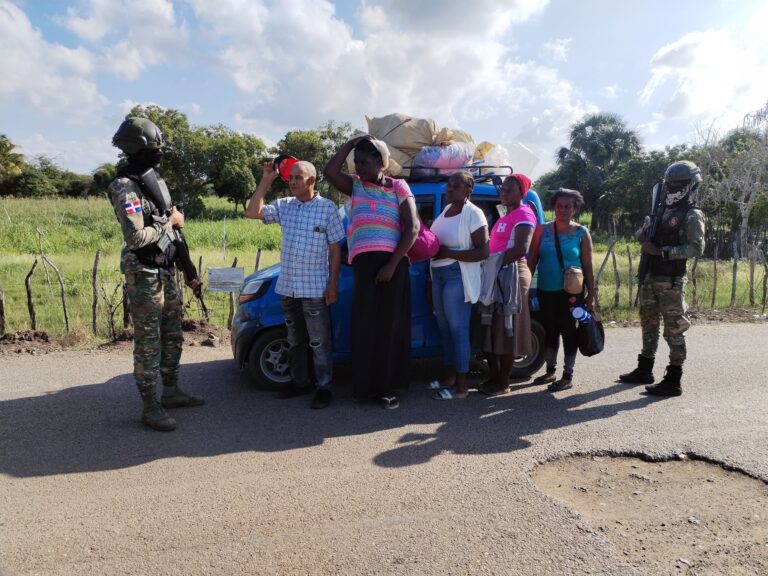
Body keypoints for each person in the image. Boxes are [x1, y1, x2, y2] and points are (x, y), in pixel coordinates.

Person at [108, 117, 204, 431]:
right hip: (144, 272)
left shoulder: (153, 179)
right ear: (137, 149)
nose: (160, 153)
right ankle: (150, 406)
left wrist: (188, 271)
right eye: (154, 148)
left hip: (166, 269)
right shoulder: (124, 186)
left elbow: (174, 235)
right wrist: (170, 222)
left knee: (173, 334)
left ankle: (172, 390)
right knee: (149, 341)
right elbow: (135, 237)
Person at [324, 136, 419, 409]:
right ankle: (364, 388)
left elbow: (411, 228)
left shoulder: (399, 187)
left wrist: (390, 266)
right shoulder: (355, 186)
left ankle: (387, 389)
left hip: (393, 264)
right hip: (364, 267)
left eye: (365, 163)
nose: (360, 168)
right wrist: (350, 144)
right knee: (365, 326)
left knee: (389, 328)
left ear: (380, 162)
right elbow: (330, 172)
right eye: (357, 163)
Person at [244, 160, 344, 409]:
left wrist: (333, 284)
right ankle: (300, 382)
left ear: (312, 181)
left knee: (319, 341)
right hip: (288, 287)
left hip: (314, 288)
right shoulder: (285, 206)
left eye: (298, 177)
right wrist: (267, 179)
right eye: (291, 177)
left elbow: (335, 250)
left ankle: (324, 387)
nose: (292, 181)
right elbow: (252, 212)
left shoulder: (327, 208)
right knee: (294, 339)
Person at [619, 160, 705, 396]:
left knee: (674, 330)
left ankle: (673, 379)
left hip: (671, 280)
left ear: (690, 185)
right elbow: (640, 236)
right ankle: (644, 369)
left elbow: (696, 248)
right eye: (671, 183)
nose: (673, 188)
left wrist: (663, 251)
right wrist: (644, 232)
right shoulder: (660, 210)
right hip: (650, 276)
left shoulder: (692, 214)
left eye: (678, 184)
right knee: (648, 324)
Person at [426, 171, 489, 400]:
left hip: (457, 275)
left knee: (458, 329)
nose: (449, 189)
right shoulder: (445, 211)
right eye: (448, 185)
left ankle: (461, 387)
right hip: (439, 275)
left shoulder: (473, 214)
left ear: (468, 190)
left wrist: (449, 253)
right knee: (444, 329)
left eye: (455, 186)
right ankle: (449, 378)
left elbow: (484, 251)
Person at [527, 188, 595, 392]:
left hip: (572, 293)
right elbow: (532, 260)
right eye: (559, 206)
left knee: (568, 330)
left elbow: (588, 266)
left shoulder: (581, 233)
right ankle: (550, 370)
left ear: (575, 209)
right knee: (550, 330)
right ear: (554, 207)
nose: (562, 210)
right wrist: (524, 287)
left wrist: (591, 295)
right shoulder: (542, 230)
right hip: (546, 291)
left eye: (567, 207)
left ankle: (568, 374)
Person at [476, 174, 537, 397]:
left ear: (522, 193)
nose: (504, 192)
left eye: (510, 189)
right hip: (496, 273)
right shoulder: (504, 217)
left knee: (507, 328)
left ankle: (503, 382)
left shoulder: (524, 214)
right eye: (502, 189)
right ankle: (493, 378)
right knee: (491, 326)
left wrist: (493, 262)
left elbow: (521, 249)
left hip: (512, 274)